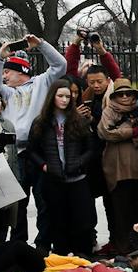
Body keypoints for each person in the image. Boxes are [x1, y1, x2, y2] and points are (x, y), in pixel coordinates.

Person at [0, 34, 68, 248]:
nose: (3, 76)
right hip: (13, 151)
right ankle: (18, 243)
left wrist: (41, 44)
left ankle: (43, 245)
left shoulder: (42, 82)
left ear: (21, 71)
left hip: (37, 151)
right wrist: (0, 58)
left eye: (7, 72)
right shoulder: (6, 92)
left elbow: (60, 65)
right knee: (17, 203)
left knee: (43, 201)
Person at [25, 80, 99, 257]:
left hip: (77, 179)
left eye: (68, 96)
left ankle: (83, 256)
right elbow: (32, 150)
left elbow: (91, 148)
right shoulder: (41, 122)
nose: (65, 100)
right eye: (60, 96)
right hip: (54, 180)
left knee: (82, 221)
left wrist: (80, 163)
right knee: (57, 221)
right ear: (52, 97)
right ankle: (61, 256)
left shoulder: (78, 120)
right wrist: (44, 166)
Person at [98, 77, 138, 252]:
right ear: (114, 96)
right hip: (118, 170)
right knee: (121, 211)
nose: (124, 97)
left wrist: (125, 134)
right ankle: (124, 247)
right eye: (120, 94)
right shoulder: (108, 111)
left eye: (128, 93)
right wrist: (132, 131)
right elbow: (106, 132)